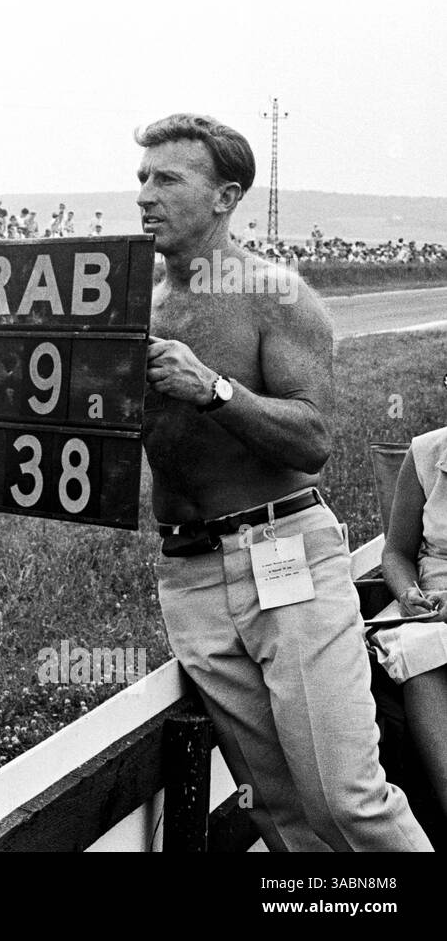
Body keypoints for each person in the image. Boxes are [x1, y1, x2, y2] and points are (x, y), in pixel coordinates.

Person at [139, 112, 430, 852]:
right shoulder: (139, 309)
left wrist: (213, 389)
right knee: (279, 811)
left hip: (284, 553)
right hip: (190, 573)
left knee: (346, 800)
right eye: (142, 176)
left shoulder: (277, 295)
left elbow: (314, 439)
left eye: (168, 178)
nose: (145, 193)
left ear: (224, 195)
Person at [371, 425, 447, 818]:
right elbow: (396, 552)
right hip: (432, 611)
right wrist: (407, 594)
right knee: (419, 649)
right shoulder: (426, 452)